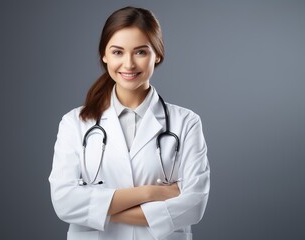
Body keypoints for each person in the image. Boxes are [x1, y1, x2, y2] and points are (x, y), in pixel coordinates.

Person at [49, 6, 210, 240]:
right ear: (104, 55)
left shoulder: (186, 122)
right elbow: (64, 203)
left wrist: (97, 207)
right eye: (117, 52)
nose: (128, 64)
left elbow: (194, 206)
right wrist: (152, 193)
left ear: (158, 54)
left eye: (140, 52)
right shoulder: (74, 123)